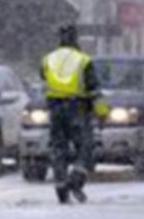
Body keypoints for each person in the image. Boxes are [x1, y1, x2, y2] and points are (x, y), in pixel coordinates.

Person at [41, 24, 105, 204]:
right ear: (75, 39)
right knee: (85, 147)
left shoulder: (48, 59)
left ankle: (61, 186)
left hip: (55, 108)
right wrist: (101, 113)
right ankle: (75, 181)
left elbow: (44, 77)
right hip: (78, 108)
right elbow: (93, 90)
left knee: (58, 148)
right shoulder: (83, 60)